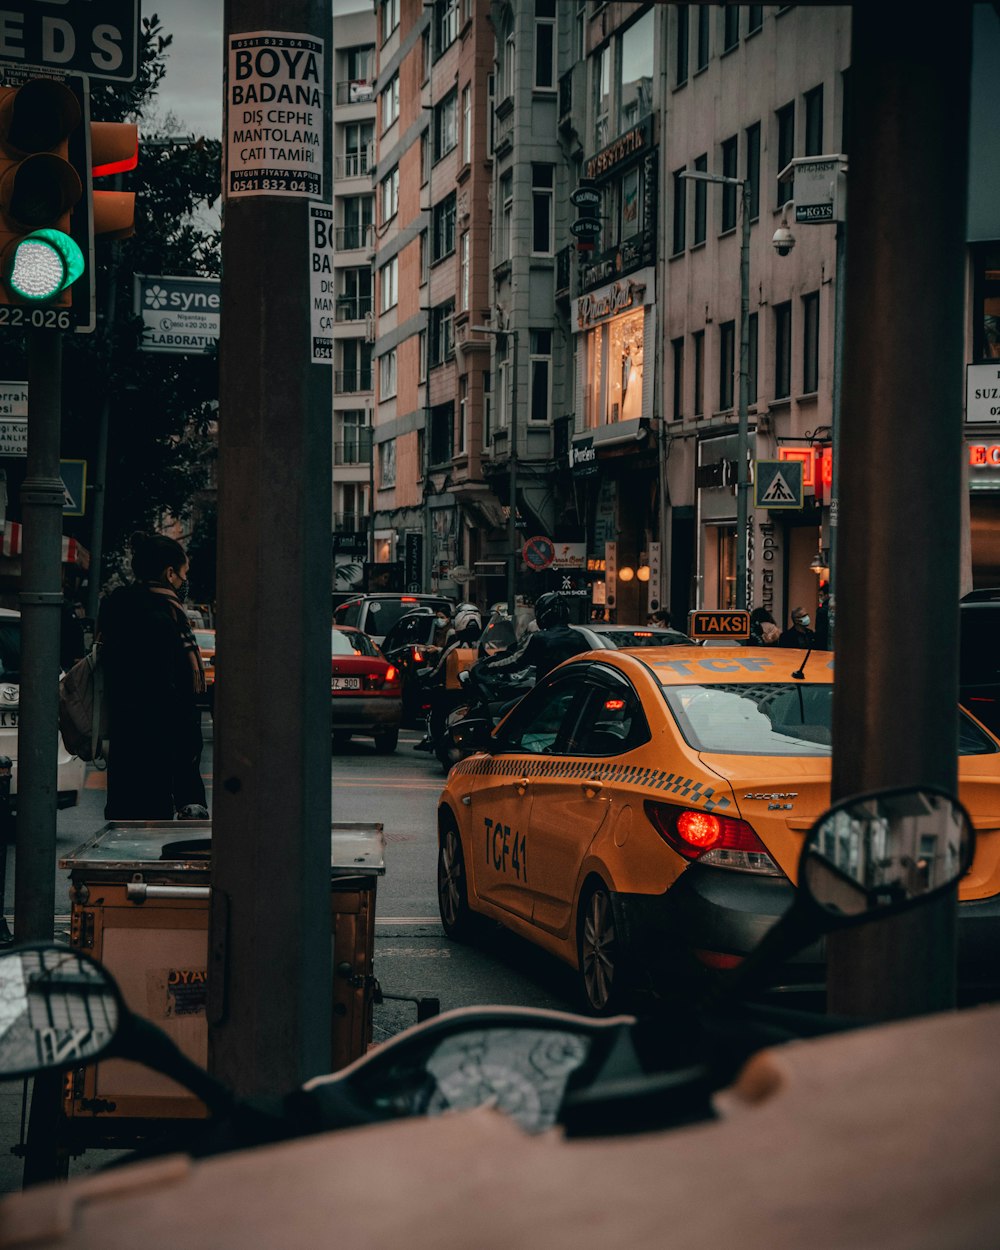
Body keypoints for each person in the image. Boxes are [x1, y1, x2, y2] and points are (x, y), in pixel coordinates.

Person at [98, 531, 208, 821]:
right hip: (158, 758)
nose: (185, 583)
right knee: (154, 841)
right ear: (169, 573)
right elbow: (164, 696)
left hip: (128, 750)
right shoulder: (160, 620)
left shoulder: (124, 609)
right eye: (184, 575)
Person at [483, 591, 591, 681]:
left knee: (504, 707)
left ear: (542, 613)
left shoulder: (541, 638)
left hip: (547, 695)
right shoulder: (579, 637)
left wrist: (490, 667)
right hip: (572, 693)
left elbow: (517, 662)